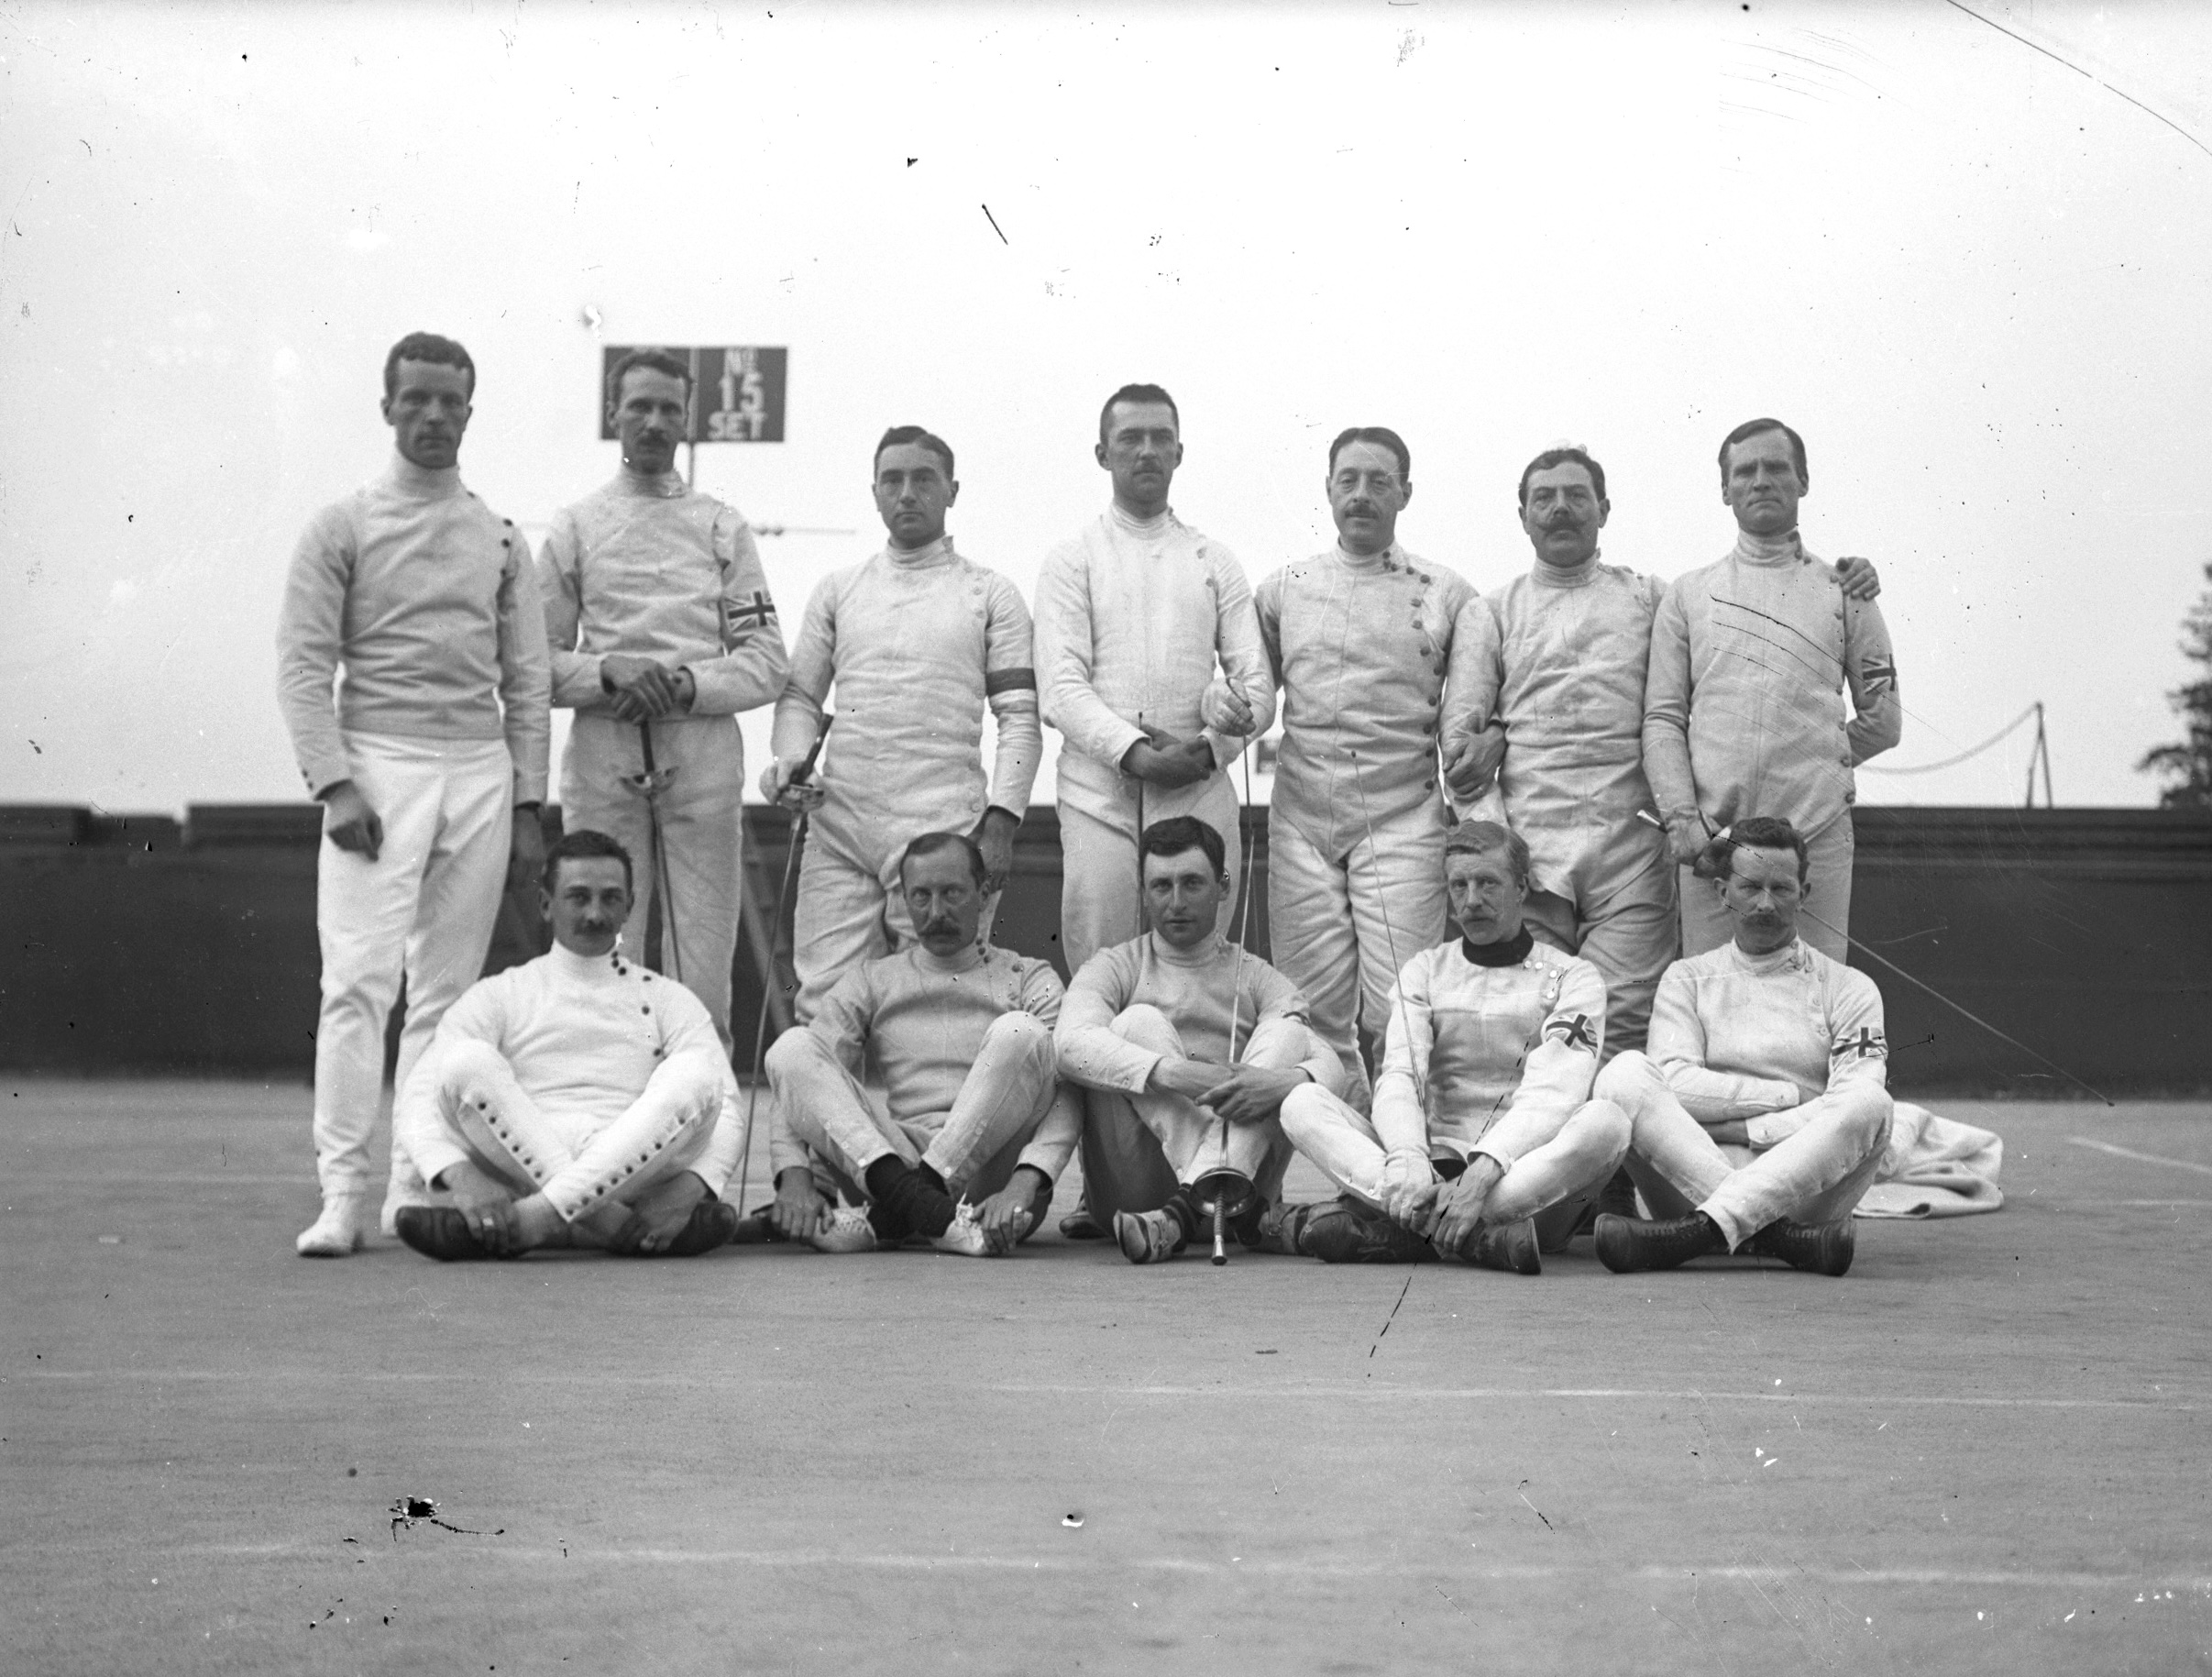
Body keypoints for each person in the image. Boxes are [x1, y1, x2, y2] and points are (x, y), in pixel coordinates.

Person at [276, 330, 550, 1257]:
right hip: (377, 769)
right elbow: (305, 667)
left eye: (450, 402)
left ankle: (406, 1183)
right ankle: (342, 1192)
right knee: (355, 985)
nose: (433, 416)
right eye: (416, 399)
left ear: (470, 412)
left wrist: (526, 806)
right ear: (387, 406)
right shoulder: (341, 526)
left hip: (479, 772)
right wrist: (335, 782)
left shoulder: (501, 536)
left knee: (444, 995)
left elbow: (528, 680)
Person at [1032, 382, 1274, 1239]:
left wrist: (1207, 750)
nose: (1143, 452)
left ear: (1179, 451)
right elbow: (1061, 686)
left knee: (1205, 982)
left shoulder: (1214, 559)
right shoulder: (1071, 559)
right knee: (1102, 1002)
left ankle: (1221, 1178)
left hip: (1199, 793)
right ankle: (1107, 1196)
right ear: (1102, 453)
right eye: (1126, 439)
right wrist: (1136, 754)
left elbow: (1256, 687)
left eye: (1159, 438)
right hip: (1100, 798)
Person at [535, 348, 788, 1050]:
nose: (652, 421)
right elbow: (534, 666)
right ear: (614, 413)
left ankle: (699, 1143)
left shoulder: (720, 525)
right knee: (604, 963)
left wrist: (684, 683)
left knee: (702, 972)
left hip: (699, 766)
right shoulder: (575, 526)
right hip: (603, 761)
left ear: (686, 419)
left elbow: (767, 662)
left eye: (667, 408)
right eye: (638, 406)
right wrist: (608, 672)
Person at [761, 426, 1040, 1022]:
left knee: (938, 1004)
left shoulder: (989, 592)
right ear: (874, 492)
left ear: (951, 490)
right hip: (839, 827)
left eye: (923, 479)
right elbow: (798, 698)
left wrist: (1001, 824)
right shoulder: (838, 590)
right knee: (825, 1006)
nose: (907, 493)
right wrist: (790, 761)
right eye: (892, 480)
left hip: (944, 824)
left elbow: (1018, 717)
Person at [1247, 426, 1487, 1111]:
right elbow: (1252, 698)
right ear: (1326, 489)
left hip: (1401, 817)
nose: (1360, 494)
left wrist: (1483, 742)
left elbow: (1464, 718)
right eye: (1347, 479)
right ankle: (1342, 1171)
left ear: (1404, 493)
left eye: (1378, 481)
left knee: (1400, 1011)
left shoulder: (1447, 592)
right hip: (1300, 819)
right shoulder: (1282, 590)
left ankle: (1403, 1164)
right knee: (1310, 1013)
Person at [1273, 821, 1629, 1273]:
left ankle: (1409, 1231)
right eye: (1459, 885)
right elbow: (1401, 1074)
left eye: (1488, 883)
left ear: (1521, 888)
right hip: (1431, 1167)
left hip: (1525, 1179)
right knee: (1300, 1102)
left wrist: (1482, 1175)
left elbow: (1555, 1094)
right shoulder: (1424, 970)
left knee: (1609, 1122)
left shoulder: (1571, 977)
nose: (1472, 900)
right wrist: (1406, 1162)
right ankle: (1474, 1238)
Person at [389, 830, 745, 1260]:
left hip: (635, 1168)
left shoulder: (668, 998)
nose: (595, 914)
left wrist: (691, 1188)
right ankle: (612, 1226)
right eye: (578, 897)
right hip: (522, 1166)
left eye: (611, 898)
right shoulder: (501, 993)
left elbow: (724, 1107)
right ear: (546, 904)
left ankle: (526, 1224)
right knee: (464, 1062)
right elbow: (420, 1096)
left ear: (630, 906)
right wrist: (459, 1175)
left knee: (697, 1073)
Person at [1644, 418, 1901, 962]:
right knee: (1710, 1001)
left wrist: (1813, 772)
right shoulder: (1689, 594)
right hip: (1716, 844)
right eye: (1745, 470)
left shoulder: (1846, 591)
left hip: (1817, 837)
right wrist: (1686, 821)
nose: (1761, 480)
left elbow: (1884, 721)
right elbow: (1663, 720)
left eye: (1776, 467)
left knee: (1817, 1000)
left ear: (1803, 481)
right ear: (1725, 489)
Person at [1592, 816, 1893, 1276]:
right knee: (1623, 1073)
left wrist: (1744, 1131)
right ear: (1722, 893)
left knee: (1873, 1101)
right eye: (1750, 887)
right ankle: (1776, 1240)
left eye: (1782, 889)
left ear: (1804, 895)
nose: (1765, 904)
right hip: (1690, 1179)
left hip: (1803, 1194)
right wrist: (1791, 1097)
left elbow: (1856, 1094)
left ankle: (1699, 1233)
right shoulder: (1687, 979)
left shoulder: (1850, 988)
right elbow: (1673, 1081)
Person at [763, 832, 1079, 1256]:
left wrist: (1026, 1183)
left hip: (994, 1186)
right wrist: (794, 1175)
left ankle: (893, 1219)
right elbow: (798, 1079)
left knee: (1020, 1031)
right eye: (921, 896)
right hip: (888, 1159)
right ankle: (933, 1214)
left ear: (983, 894)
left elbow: (1069, 1093)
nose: (937, 912)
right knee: (792, 1046)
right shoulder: (874, 979)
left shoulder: (1028, 977)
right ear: (904, 901)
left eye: (952, 893)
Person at [1054, 816, 1345, 1265]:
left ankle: (1181, 1217)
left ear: (1223, 885)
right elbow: (1068, 1045)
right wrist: (1180, 1074)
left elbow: (1332, 1066)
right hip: (1136, 1191)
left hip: (1222, 1193)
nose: (1176, 902)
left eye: (1192, 883)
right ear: (1144, 891)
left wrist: (1277, 1084)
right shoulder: (1113, 967)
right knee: (1137, 1024)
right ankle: (1224, 1202)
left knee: (1289, 1035)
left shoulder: (1258, 977)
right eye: (1161, 886)